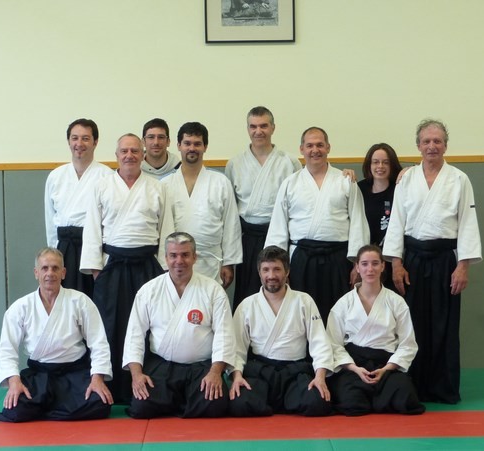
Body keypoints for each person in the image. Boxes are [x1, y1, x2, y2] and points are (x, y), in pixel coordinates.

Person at [382, 119, 482, 404]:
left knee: (444, 323)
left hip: (445, 260)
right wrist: (396, 263)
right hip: (412, 259)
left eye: (437, 141)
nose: (432, 146)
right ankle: (412, 385)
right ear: (418, 146)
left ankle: (443, 387)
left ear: (445, 146)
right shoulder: (407, 179)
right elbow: (397, 222)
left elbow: (467, 223)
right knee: (411, 324)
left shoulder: (459, 179)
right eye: (426, 141)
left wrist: (463, 266)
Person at [79, 133, 174, 404]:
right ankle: (112, 386)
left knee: (149, 325)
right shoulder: (102, 186)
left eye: (134, 151)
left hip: (147, 265)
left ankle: (148, 384)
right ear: (116, 155)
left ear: (143, 155)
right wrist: (97, 269)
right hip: (113, 265)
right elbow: (92, 229)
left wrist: (165, 268)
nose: (129, 155)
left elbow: (166, 228)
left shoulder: (157, 187)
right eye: (124, 151)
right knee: (110, 324)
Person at [0, 248, 113, 422]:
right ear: (36, 273)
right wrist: (14, 383)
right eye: (45, 268)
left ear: (63, 273)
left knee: (99, 403)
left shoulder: (80, 301)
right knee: (15, 410)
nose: (50, 273)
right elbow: (7, 349)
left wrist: (97, 378)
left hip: (73, 374)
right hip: (40, 375)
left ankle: (44, 409)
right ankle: (60, 409)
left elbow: (99, 342)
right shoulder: (20, 307)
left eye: (55, 268)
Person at [123, 232, 235, 419]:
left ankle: (175, 402)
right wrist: (137, 375)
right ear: (165, 258)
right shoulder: (149, 290)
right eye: (173, 255)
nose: (179, 261)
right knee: (141, 406)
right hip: (163, 367)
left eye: (185, 255)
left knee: (215, 404)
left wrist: (216, 372)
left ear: (194, 257)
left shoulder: (213, 290)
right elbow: (134, 336)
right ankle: (181, 402)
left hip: (200, 369)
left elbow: (224, 335)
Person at [265, 126, 369, 322]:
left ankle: (336, 343)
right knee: (301, 315)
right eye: (310, 145)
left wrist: (358, 264)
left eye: (320, 145)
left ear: (328, 147)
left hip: (338, 259)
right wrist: (277, 265)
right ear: (301, 149)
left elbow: (358, 223)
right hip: (301, 258)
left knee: (338, 315)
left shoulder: (346, 181)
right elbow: (278, 227)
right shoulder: (290, 183)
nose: (315, 150)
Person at [229, 246, 333, 417]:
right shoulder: (246, 305)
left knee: (317, 402)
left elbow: (319, 342)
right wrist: (237, 377)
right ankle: (285, 403)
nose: (271, 275)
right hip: (261, 372)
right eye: (266, 270)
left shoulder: (304, 301)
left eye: (277, 269)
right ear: (259, 272)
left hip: (295, 372)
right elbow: (236, 348)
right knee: (240, 403)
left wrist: (320, 377)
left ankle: (278, 402)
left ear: (287, 271)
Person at [327, 245, 425, 416]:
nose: (370, 269)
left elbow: (407, 344)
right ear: (357, 267)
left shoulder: (396, 302)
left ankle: (378, 393)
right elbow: (333, 344)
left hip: (385, 364)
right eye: (364, 264)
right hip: (354, 365)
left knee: (405, 398)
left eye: (375, 263)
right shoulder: (343, 303)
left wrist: (387, 369)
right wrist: (355, 368)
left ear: (383, 266)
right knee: (352, 403)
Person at [225, 106, 302, 308]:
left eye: (264, 126)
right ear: (247, 129)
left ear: (273, 128)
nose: (258, 131)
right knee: (248, 295)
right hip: (248, 239)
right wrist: (229, 258)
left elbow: (297, 206)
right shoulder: (235, 164)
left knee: (280, 293)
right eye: (253, 126)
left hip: (279, 236)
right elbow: (230, 213)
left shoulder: (289, 162)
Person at [162, 122, 242, 287]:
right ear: (179, 145)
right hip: (176, 261)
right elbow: (161, 227)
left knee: (209, 301)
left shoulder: (221, 182)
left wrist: (229, 263)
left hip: (211, 262)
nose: (192, 148)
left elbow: (231, 224)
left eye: (197, 144)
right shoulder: (165, 184)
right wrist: (163, 263)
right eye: (187, 143)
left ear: (205, 147)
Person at [44, 118, 112, 298]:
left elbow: (110, 222)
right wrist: (53, 255)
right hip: (64, 248)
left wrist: (104, 258)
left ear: (95, 142)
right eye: (74, 138)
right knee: (64, 301)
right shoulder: (55, 176)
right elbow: (50, 221)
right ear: (68, 141)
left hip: (93, 248)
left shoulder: (107, 176)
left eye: (85, 138)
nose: (79, 144)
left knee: (93, 301)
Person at [357, 143, 403, 290]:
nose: (380, 166)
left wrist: (409, 169)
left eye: (386, 162)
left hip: (392, 259)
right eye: (375, 162)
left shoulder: (400, 188)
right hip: (366, 260)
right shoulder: (360, 189)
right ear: (369, 165)